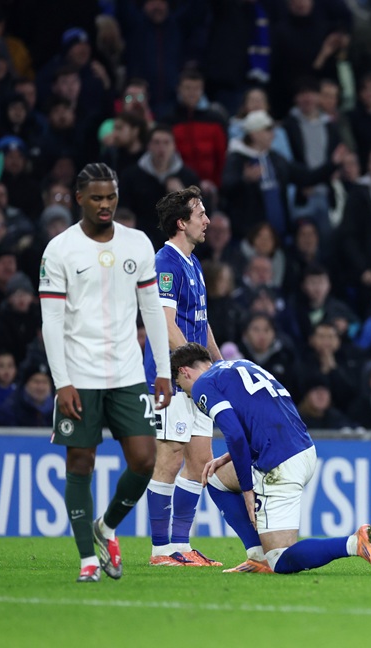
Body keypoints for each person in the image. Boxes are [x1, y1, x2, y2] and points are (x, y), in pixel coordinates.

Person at [39, 163, 173, 582]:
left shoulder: (137, 244)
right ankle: (87, 561)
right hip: (79, 375)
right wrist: (62, 381)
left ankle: (107, 526)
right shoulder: (60, 250)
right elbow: (51, 321)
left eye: (111, 197)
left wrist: (163, 370)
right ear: (79, 198)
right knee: (80, 461)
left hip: (129, 374)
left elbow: (152, 310)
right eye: (96, 197)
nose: (104, 205)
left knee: (144, 459)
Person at [169, 343, 371, 576]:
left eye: (182, 387)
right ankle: (257, 557)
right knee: (215, 477)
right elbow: (263, 417)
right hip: (303, 449)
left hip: (278, 462)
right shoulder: (243, 365)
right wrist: (228, 457)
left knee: (280, 559)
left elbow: (234, 434)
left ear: (185, 372)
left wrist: (247, 490)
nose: (186, 394)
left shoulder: (204, 383)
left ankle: (354, 543)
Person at [142, 186, 224, 568]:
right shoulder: (166, 262)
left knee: (199, 461)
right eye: (200, 213)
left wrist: (219, 365)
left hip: (198, 376)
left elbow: (202, 325)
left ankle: (181, 545)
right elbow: (166, 323)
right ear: (182, 222)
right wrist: (191, 367)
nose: (207, 220)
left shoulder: (193, 263)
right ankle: (161, 552)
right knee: (170, 456)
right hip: (172, 377)